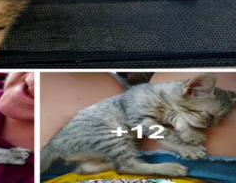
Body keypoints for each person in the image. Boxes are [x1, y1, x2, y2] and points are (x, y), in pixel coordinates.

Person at [41, 72, 236, 183]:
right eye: (208, 117)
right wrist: (179, 143)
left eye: (218, 120)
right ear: (191, 89)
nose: (212, 125)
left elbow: (168, 115)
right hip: (106, 132)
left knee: (66, 77)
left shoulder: (166, 100)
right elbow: (141, 123)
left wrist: (186, 124)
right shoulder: (144, 96)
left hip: (70, 175)